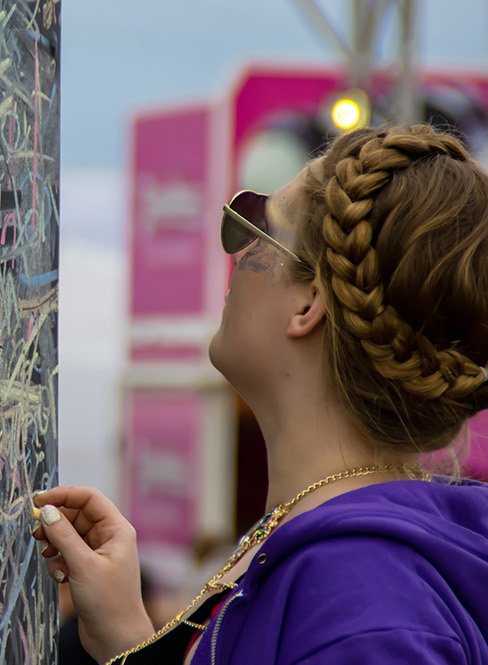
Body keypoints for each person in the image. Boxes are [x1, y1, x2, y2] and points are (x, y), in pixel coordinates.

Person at [33, 124, 488, 664]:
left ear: (309, 304)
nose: (238, 248)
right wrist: (126, 637)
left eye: (259, 225)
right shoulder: (333, 552)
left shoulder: (359, 596)